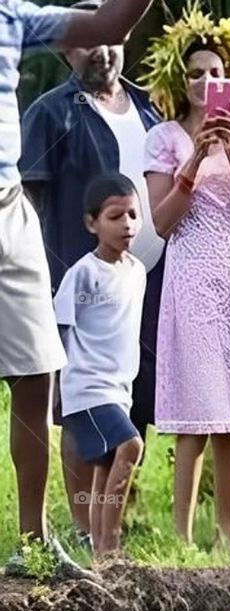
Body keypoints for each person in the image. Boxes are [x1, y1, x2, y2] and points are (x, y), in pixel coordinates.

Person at [0, 0, 155, 577]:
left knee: (38, 372)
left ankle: (34, 543)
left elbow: (109, 25)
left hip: (9, 206)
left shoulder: (11, 15)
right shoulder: (53, 106)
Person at [142, 13, 230, 550]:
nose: (205, 81)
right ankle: (180, 534)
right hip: (192, 273)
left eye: (216, 72)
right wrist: (196, 156)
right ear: (180, 79)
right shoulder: (164, 137)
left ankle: (227, 533)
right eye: (195, 73)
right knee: (196, 410)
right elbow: (162, 222)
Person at [55, 174, 145, 557]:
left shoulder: (137, 271)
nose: (127, 224)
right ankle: (110, 546)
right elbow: (59, 328)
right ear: (92, 223)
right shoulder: (83, 274)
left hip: (120, 390)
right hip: (87, 389)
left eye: (133, 215)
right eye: (115, 216)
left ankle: (98, 554)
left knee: (105, 468)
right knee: (131, 445)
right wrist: (57, 390)